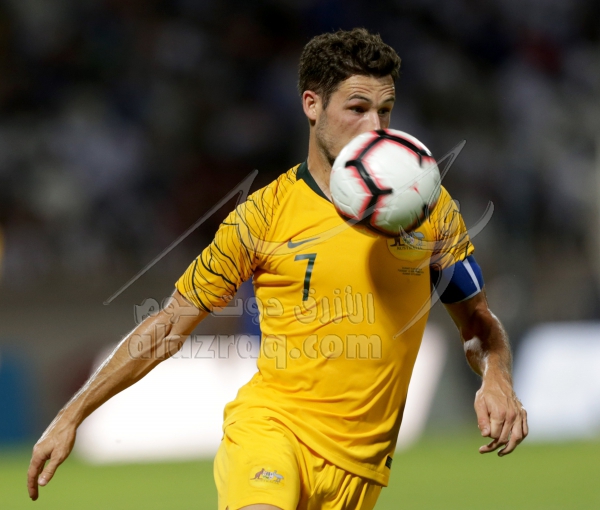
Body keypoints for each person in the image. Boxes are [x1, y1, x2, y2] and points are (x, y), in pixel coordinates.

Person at [27, 28, 528, 509]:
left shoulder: (427, 207)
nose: (375, 128)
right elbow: (169, 324)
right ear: (312, 105)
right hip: (271, 431)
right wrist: (72, 414)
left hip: (361, 468)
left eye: (385, 110)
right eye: (357, 109)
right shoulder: (264, 215)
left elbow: (477, 322)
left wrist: (497, 376)